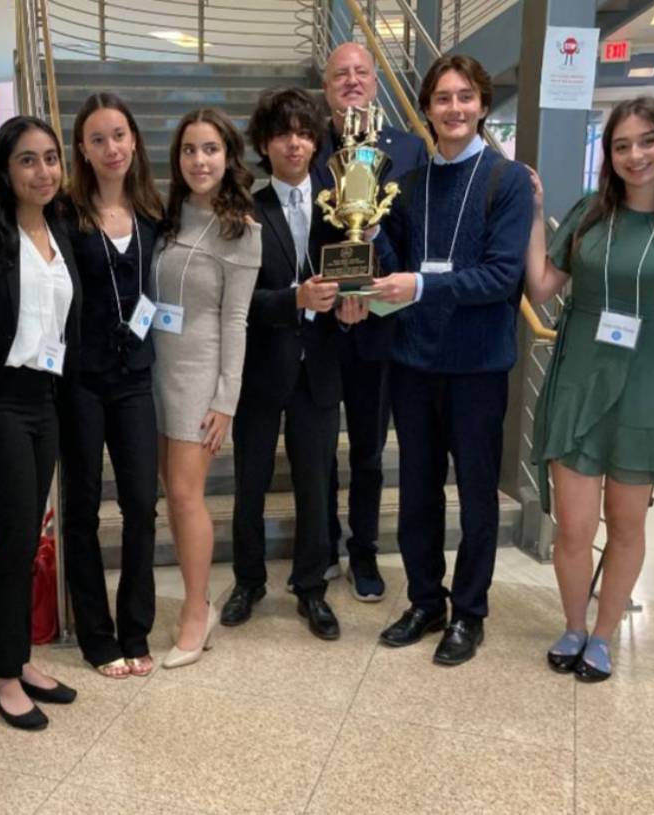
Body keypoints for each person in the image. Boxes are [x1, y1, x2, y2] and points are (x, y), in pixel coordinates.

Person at [526, 97, 654, 682]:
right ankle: (573, 626)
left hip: (644, 391)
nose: (635, 155)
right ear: (608, 155)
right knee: (576, 527)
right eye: (621, 145)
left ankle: (604, 636)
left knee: (628, 525)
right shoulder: (589, 214)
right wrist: (533, 212)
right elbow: (539, 288)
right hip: (579, 381)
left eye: (647, 141)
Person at [368, 55, 532, 666]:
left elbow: (500, 276)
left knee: (477, 496)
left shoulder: (507, 182)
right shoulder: (405, 187)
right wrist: (366, 233)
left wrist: (421, 287)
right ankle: (423, 600)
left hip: (478, 368)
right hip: (413, 362)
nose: (454, 109)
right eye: (442, 98)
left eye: (465, 97)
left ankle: (469, 611)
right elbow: (393, 263)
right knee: (415, 491)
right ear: (427, 109)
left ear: (483, 105)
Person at [222, 87, 356, 640]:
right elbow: (233, 302)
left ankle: (311, 588)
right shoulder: (245, 210)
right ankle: (248, 581)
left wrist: (356, 301)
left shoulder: (343, 204)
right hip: (261, 367)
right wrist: (291, 300)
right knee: (250, 481)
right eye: (283, 133)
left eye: (303, 133)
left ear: (316, 140)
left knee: (315, 481)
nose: (294, 143)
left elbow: (359, 272)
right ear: (264, 143)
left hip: (321, 366)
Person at [0, 116, 80, 728]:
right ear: (5, 169)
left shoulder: (59, 228)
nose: (43, 171)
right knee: (11, 541)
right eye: (28, 160)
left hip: (44, 399)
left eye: (51, 159)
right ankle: (2, 675)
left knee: (29, 538)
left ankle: (20, 656)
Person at [315, 42, 429, 602]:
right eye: (341, 74)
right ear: (326, 84)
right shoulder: (306, 145)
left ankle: (364, 553)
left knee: (365, 451)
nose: (352, 81)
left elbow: (414, 240)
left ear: (376, 81)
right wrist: (332, 297)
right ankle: (321, 547)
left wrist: (375, 279)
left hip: (381, 324)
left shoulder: (408, 151)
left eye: (362, 72)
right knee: (315, 449)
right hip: (319, 327)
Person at [152, 108, 261, 668]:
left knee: (188, 496)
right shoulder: (167, 217)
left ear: (228, 156)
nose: (200, 160)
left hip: (199, 375)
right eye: (190, 149)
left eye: (211, 149)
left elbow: (235, 321)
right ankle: (197, 601)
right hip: (156, 370)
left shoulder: (241, 229)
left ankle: (199, 609)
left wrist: (226, 400)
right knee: (172, 494)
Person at [58, 93, 162, 679]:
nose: (111, 148)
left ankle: (136, 628)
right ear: (82, 149)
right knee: (82, 510)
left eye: (119, 135)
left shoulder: (152, 213)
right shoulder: (67, 215)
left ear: (134, 140)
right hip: (82, 380)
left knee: (142, 506)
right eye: (98, 139)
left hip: (135, 379)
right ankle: (97, 636)